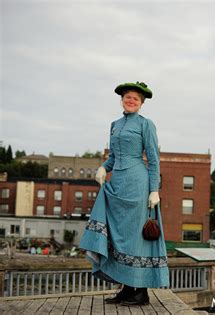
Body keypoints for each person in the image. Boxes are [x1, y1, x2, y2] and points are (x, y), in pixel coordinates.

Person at [79, 81, 169, 306]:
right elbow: (113, 156)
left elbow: (153, 159)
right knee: (118, 237)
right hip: (117, 184)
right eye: (128, 97)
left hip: (138, 185)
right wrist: (103, 167)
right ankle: (126, 289)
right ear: (122, 99)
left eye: (135, 99)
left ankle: (140, 292)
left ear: (141, 103)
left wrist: (154, 190)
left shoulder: (146, 124)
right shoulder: (115, 125)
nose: (131, 100)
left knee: (135, 238)